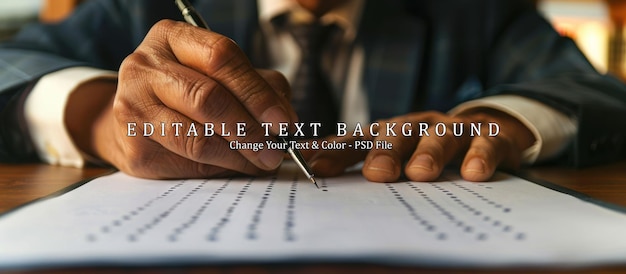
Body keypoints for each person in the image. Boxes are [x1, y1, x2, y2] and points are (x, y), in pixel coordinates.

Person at [0, 0, 625, 182]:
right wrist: (100, 122)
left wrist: (499, 119)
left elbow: (593, 90)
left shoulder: (472, 11)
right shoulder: (150, 3)